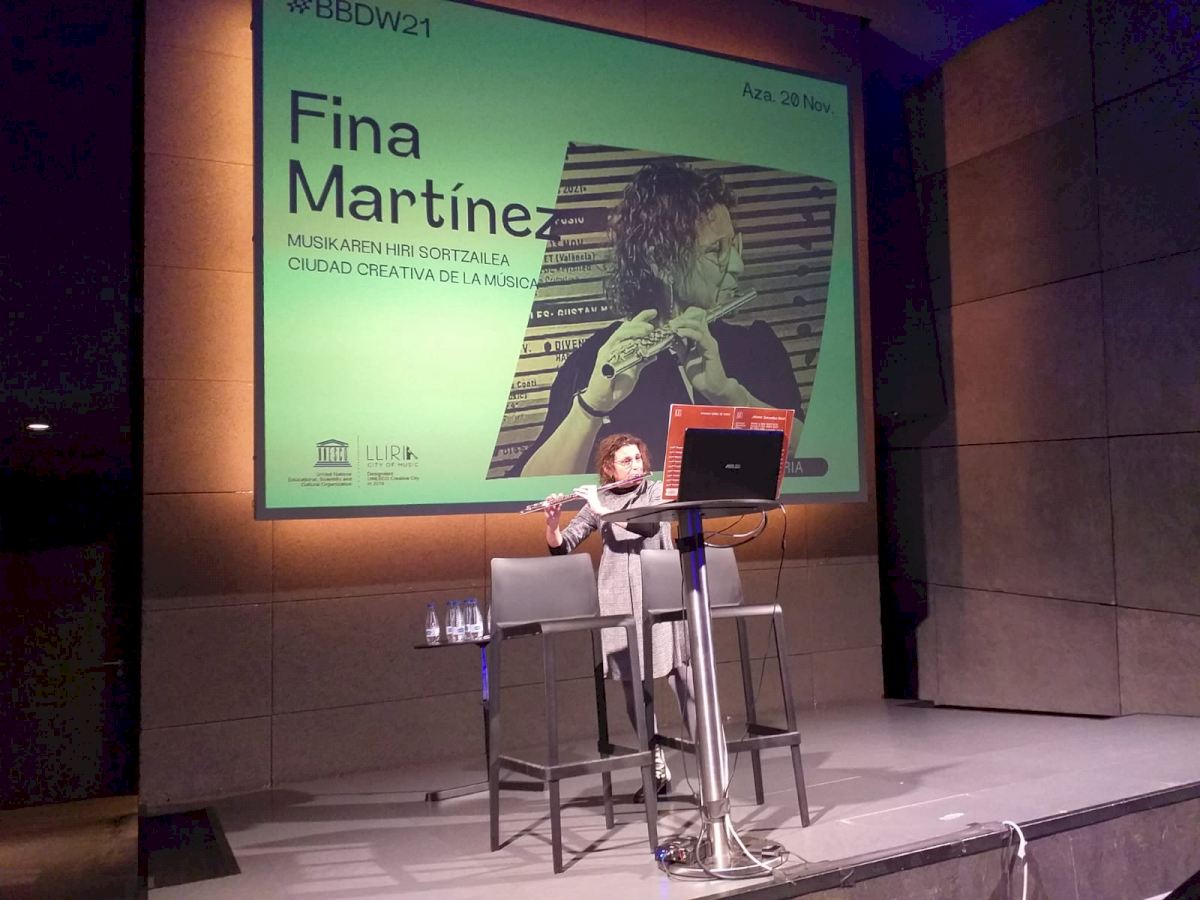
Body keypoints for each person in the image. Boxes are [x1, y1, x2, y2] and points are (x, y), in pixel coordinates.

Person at [518, 161, 804, 477]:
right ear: (661, 261)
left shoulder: (757, 344)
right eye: (715, 251)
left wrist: (728, 394)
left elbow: (812, 457)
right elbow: (531, 486)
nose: (737, 265)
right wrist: (591, 408)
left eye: (734, 246)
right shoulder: (597, 359)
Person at [543, 432, 693, 799]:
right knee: (633, 688)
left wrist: (600, 508)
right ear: (609, 468)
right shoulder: (601, 499)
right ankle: (656, 768)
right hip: (619, 602)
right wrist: (552, 523)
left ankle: (711, 766)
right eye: (626, 461)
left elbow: (647, 526)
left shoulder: (656, 492)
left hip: (660, 596)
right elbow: (563, 546)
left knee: (683, 679)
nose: (635, 465)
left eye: (638, 458)